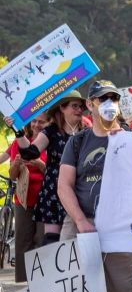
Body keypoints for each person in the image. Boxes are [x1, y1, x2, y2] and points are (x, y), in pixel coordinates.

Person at [56, 80, 132, 292]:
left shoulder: (131, 139)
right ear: (90, 105)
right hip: (82, 220)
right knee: (74, 285)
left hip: (120, 224)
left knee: (119, 287)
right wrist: (80, 220)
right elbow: (64, 185)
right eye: (102, 99)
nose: (108, 103)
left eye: (113, 98)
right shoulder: (78, 142)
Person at [12, 90, 89, 246]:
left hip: (80, 189)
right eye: (74, 106)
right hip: (54, 190)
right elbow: (29, 153)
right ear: (62, 108)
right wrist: (18, 132)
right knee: (52, 242)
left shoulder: (86, 132)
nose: (79, 110)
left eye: (81, 107)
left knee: (80, 238)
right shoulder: (52, 130)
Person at [4, 115, 48, 292]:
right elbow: (13, 176)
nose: (37, 124)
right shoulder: (20, 142)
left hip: (45, 199)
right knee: (24, 241)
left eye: (41, 122)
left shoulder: (48, 140)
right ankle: (32, 285)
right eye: (34, 121)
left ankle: (44, 284)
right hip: (23, 200)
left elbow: (56, 171)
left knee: (42, 240)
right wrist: (15, 164)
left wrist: (39, 163)